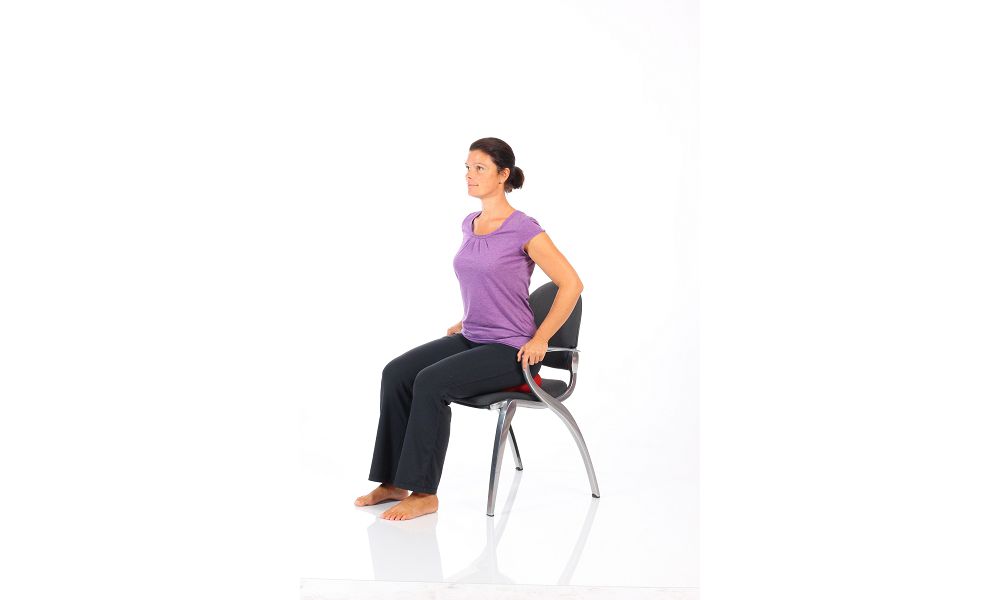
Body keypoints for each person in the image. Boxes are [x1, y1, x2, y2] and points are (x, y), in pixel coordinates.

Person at [354, 137, 585, 520]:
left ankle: (424, 493)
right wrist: (469, 318)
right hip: (474, 336)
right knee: (396, 373)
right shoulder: (470, 223)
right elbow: (487, 280)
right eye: (467, 167)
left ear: (503, 174)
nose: (469, 175)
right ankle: (393, 482)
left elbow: (572, 284)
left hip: (512, 351)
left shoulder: (524, 228)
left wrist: (541, 338)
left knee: (430, 382)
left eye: (479, 168)